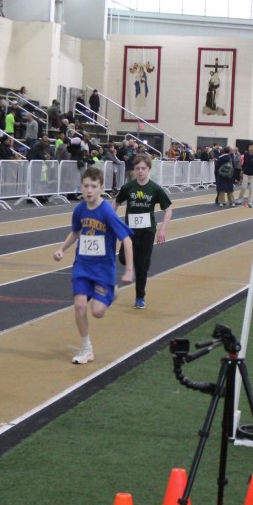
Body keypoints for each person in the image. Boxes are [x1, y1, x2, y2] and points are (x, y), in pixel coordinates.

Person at [53, 167, 134, 364]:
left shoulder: (106, 211)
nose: (89, 190)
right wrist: (62, 249)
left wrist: (129, 269)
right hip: (82, 266)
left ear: (101, 188)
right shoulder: (79, 210)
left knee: (97, 312)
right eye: (86, 186)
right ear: (81, 187)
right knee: (80, 305)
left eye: (93, 186)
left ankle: (111, 292)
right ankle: (86, 348)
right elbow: (76, 231)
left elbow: (126, 239)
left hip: (102, 269)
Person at [113, 154, 172, 309]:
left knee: (142, 267)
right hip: (130, 231)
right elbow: (116, 203)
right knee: (123, 258)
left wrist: (162, 229)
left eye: (143, 168)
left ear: (149, 169)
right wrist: (111, 220)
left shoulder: (155, 188)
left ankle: (140, 297)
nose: (140, 171)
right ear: (134, 169)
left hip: (147, 231)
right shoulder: (128, 187)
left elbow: (168, 209)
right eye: (137, 168)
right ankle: (131, 266)